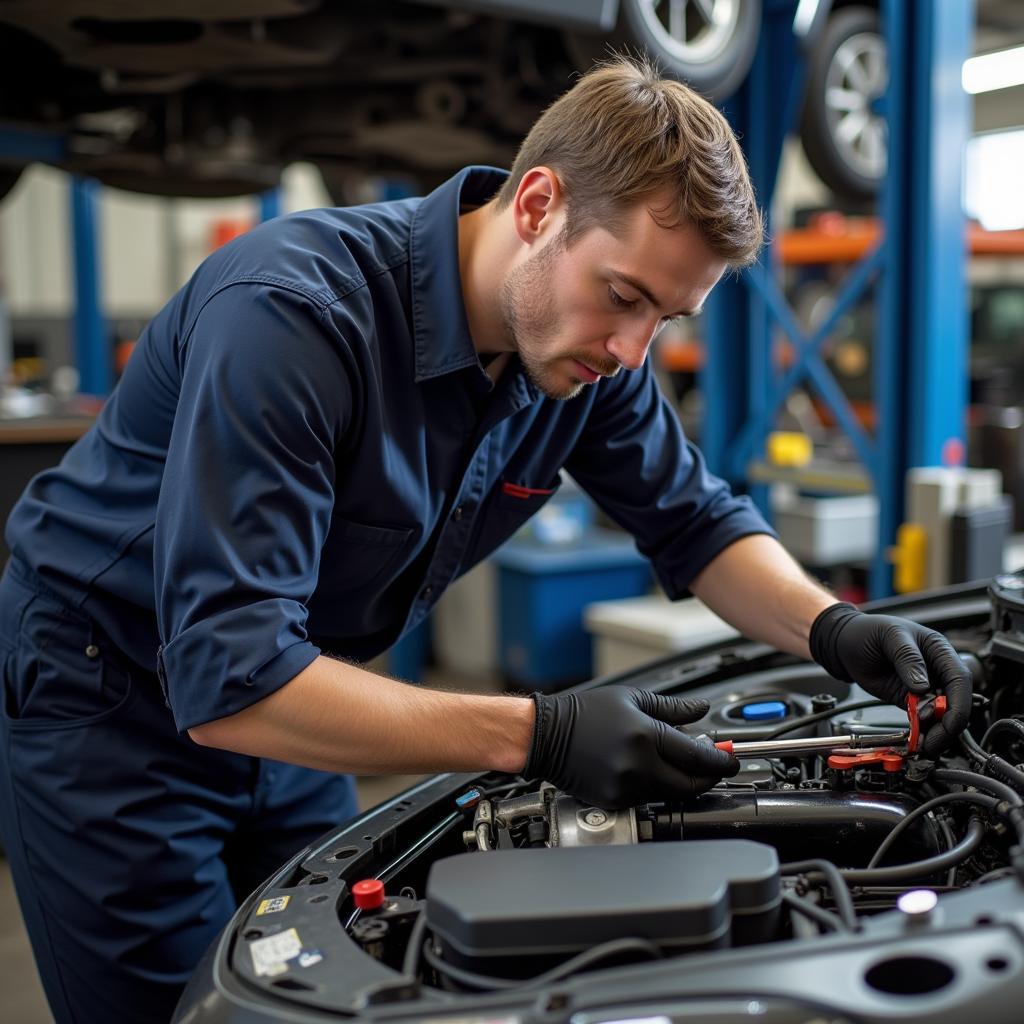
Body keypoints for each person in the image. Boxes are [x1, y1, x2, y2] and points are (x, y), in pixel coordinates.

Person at [0, 56, 971, 1023]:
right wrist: (538, 732)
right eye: (626, 296)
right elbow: (229, 678)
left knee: (324, 984)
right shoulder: (292, 316)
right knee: (181, 1008)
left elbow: (698, 522)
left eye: (665, 317)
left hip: (301, 684)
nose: (633, 353)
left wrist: (835, 629)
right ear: (539, 204)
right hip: (108, 697)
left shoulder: (586, 355)